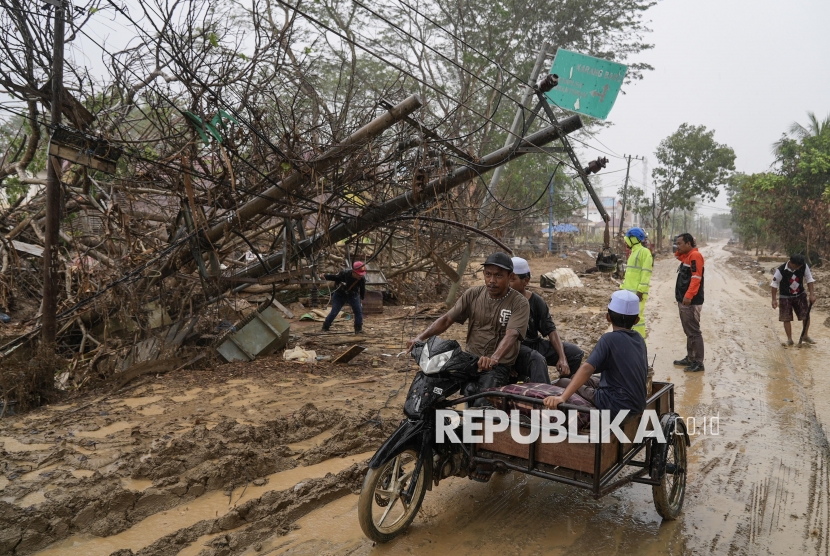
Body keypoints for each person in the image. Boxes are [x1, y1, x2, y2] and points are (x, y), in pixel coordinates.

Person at [405, 252, 530, 407]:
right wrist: (420, 337)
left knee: (481, 405)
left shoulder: (519, 302)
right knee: (431, 388)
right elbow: (447, 319)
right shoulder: (473, 294)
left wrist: (494, 359)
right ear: (483, 274)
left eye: (498, 275)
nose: (492, 280)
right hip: (469, 360)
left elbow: (512, 334)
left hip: (497, 365)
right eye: (488, 274)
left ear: (510, 276)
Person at [543, 290, 648, 419]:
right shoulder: (639, 338)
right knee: (577, 377)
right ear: (636, 320)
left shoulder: (609, 339)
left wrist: (562, 397)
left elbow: (587, 368)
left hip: (615, 405)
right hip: (638, 404)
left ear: (608, 317)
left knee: (564, 381)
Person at [509, 257, 584, 383]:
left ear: (525, 281)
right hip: (512, 348)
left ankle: (563, 386)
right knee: (537, 359)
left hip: (533, 344)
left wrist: (562, 358)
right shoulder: (501, 301)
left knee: (574, 353)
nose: (507, 283)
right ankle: (543, 393)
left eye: (512, 279)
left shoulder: (536, 301)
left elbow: (551, 330)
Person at [672, 233, 705, 372]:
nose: (677, 246)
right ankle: (691, 358)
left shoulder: (695, 256)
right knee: (689, 331)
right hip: (685, 300)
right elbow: (677, 255)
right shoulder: (688, 255)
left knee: (693, 332)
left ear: (688, 243)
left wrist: (688, 296)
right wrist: (681, 248)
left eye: (680, 243)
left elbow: (696, 278)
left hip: (690, 301)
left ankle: (698, 362)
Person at [771, 254, 817, 346]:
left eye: (800, 266)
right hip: (785, 296)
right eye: (797, 266)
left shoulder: (803, 266)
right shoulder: (780, 270)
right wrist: (774, 300)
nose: (799, 268)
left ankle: (805, 336)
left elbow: (809, 279)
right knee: (786, 318)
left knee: (806, 315)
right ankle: (789, 339)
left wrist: (812, 294)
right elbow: (774, 284)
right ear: (791, 263)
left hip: (800, 294)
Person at [620, 227, 653, 339]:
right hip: (629, 293)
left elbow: (646, 273)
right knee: (628, 319)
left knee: (637, 319)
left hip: (638, 294)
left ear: (633, 239)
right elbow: (630, 274)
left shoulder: (644, 252)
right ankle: (630, 343)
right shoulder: (633, 253)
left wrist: (641, 291)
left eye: (627, 240)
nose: (625, 242)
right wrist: (622, 288)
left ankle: (640, 343)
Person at [322, 261, 367, 333]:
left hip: (353, 295)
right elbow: (335, 277)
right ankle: (326, 326)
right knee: (334, 312)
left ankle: (358, 329)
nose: (360, 276)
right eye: (359, 274)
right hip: (339, 295)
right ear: (354, 272)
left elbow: (362, 289)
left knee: (358, 311)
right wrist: (324, 276)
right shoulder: (344, 274)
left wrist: (361, 298)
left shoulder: (361, 279)